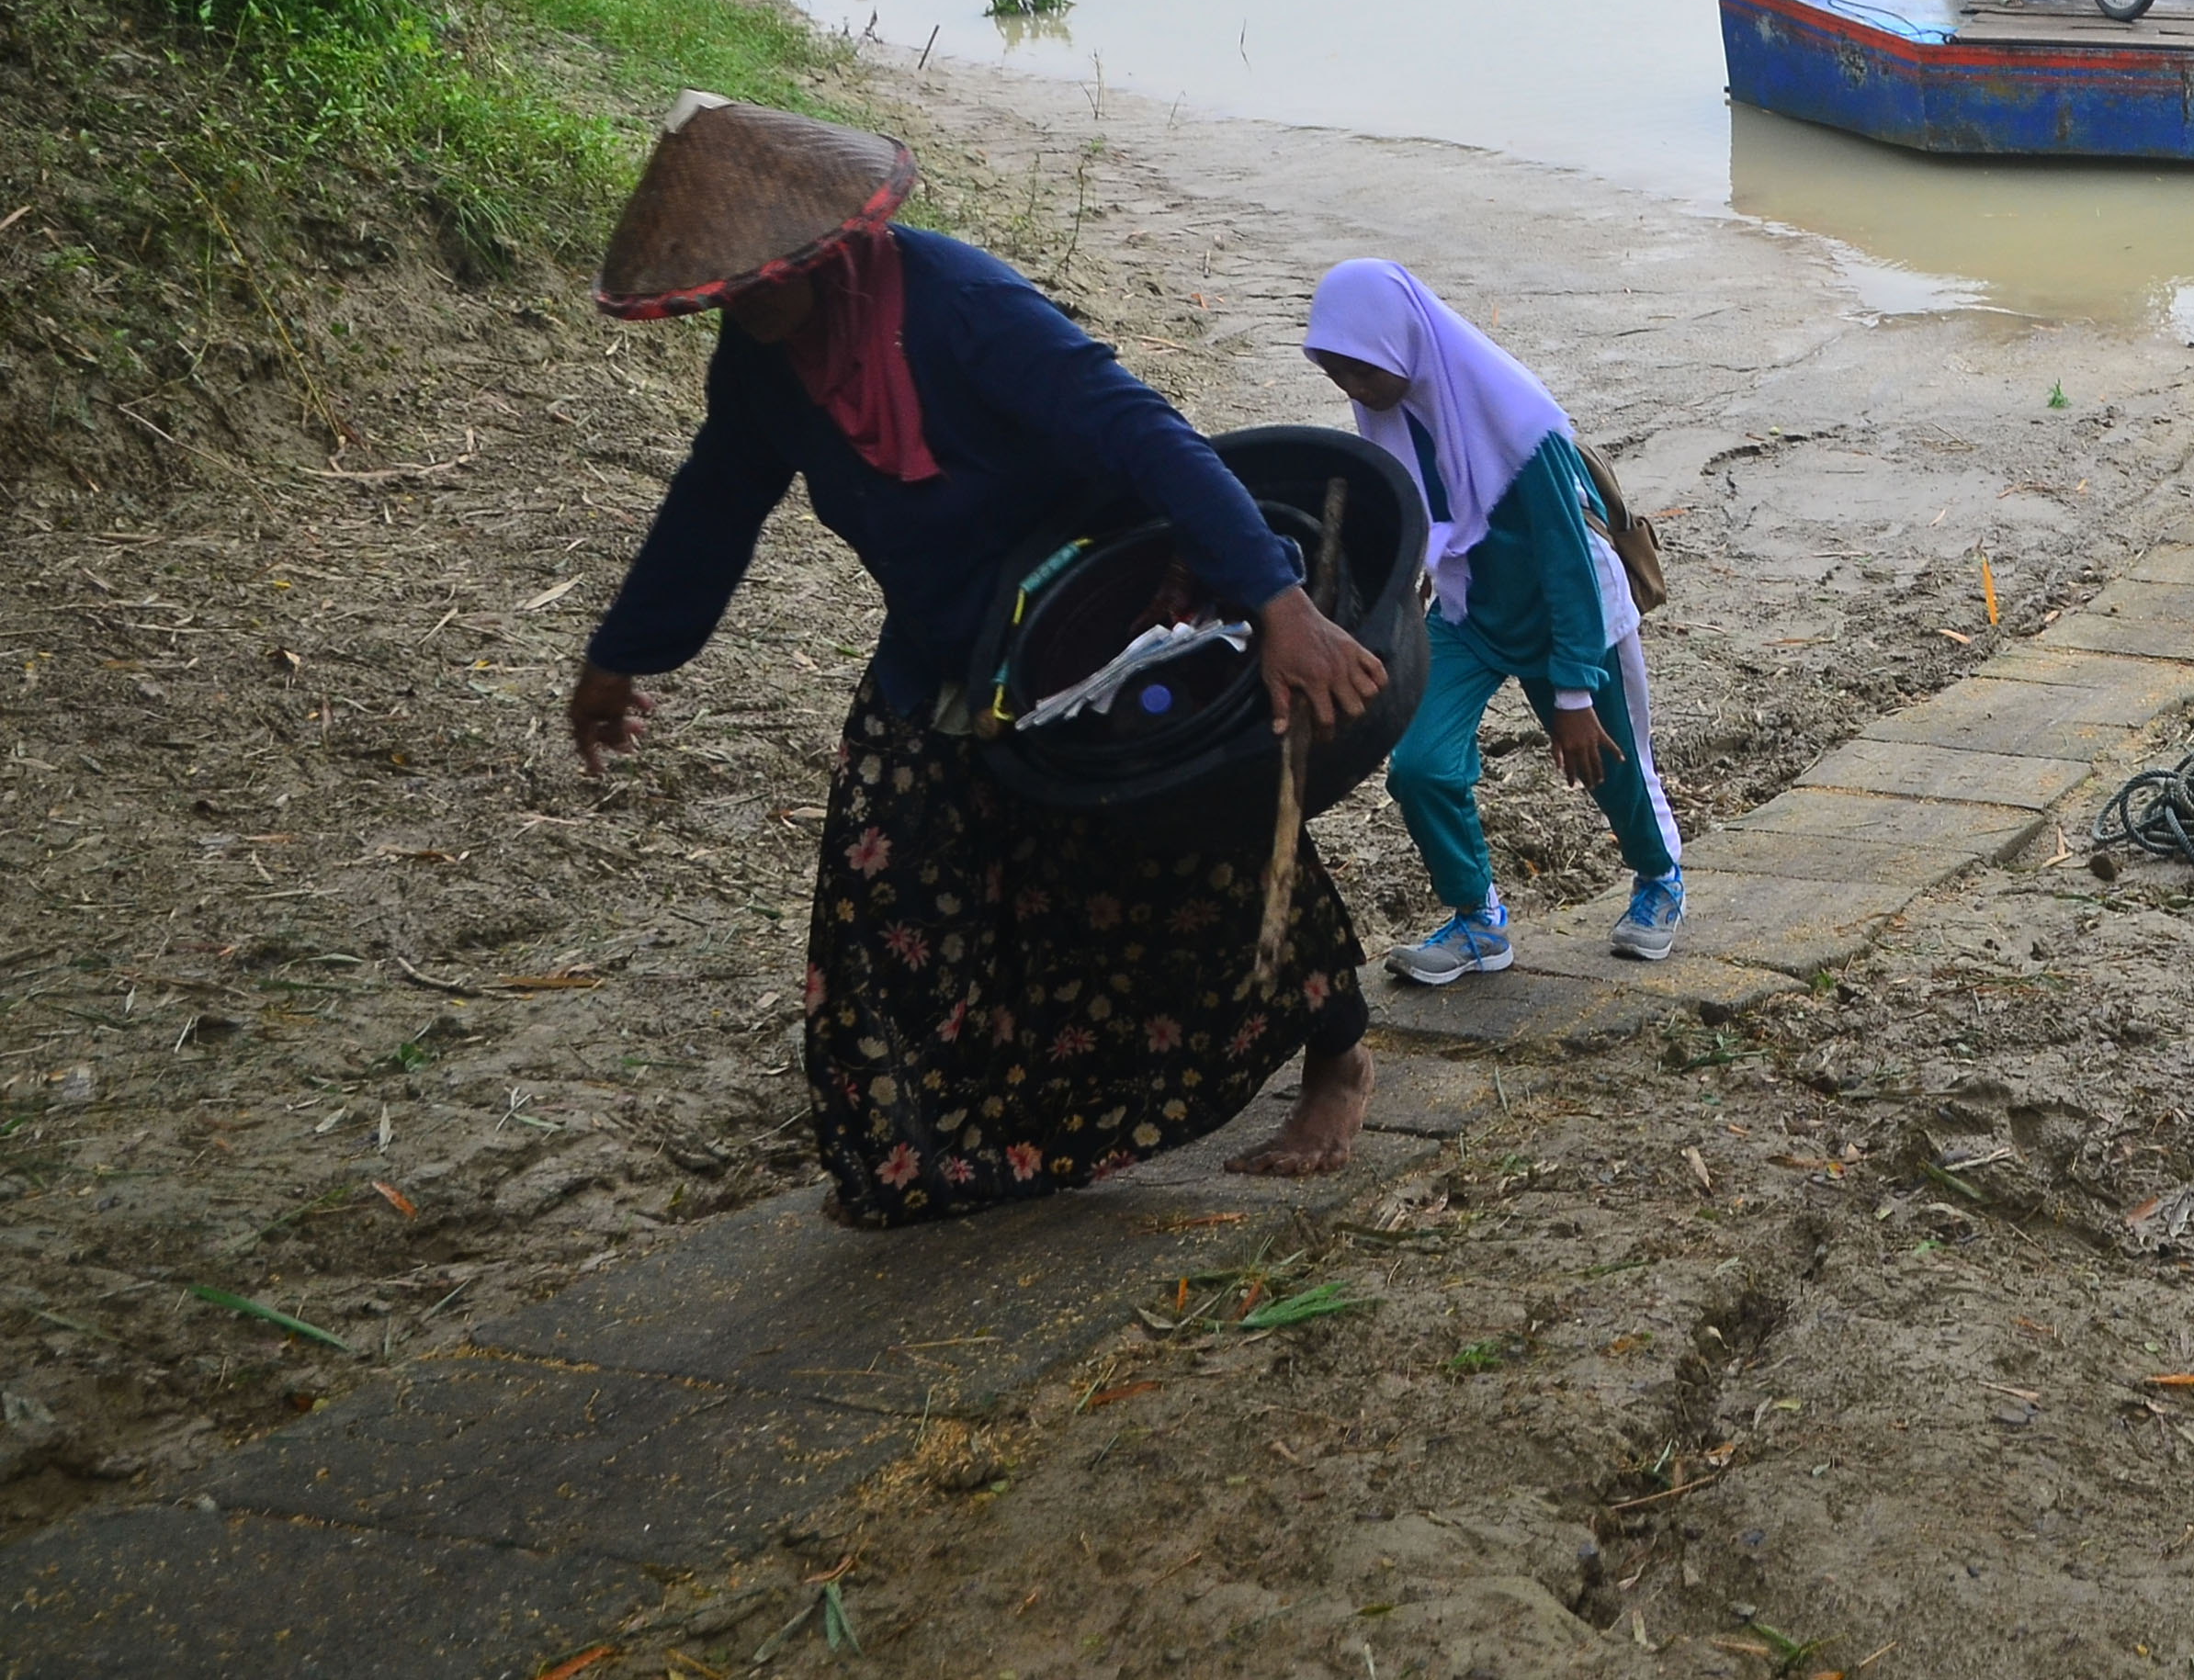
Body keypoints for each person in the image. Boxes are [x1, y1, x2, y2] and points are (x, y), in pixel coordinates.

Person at [571, 97, 1391, 1223]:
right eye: (724, 293)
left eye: (759, 279)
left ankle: (1337, 1051)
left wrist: (1276, 601)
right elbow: (715, 502)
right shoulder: (761, 364)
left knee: (1189, 850)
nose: (744, 305)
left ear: (821, 246)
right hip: (945, 643)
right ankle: (935, 1152)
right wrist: (622, 655)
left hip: (1092, 618)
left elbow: (1144, 434)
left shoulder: (961, 302)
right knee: (888, 887)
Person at [1300, 262, 1680, 981]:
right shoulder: (1393, 411)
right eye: (1337, 374)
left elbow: (1568, 564)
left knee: (1613, 768)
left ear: (1404, 345)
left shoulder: (1523, 429)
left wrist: (1573, 693)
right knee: (1420, 766)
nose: (1353, 389)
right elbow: (1416, 516)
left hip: (1573, 618)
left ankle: (1659, 879)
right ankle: (1478, 919)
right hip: (1470, 610)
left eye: (1361, 370)